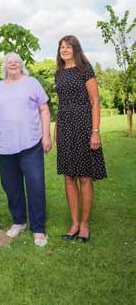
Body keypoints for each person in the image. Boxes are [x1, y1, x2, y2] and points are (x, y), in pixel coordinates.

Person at [0, 52, 51, 247]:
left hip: (31, 142)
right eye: (9, 62)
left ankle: (38, 229)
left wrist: (47, 136)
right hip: (6, 145)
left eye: (16, 61)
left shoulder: (32, 83)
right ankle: (19, 221)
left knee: (35, 185)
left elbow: (44, 109)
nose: (13, 64)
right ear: (5, 67)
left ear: (21, 65)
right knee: (11, 186)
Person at [55, 35, 107, 243]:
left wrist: (95, 130)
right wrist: (56, 130)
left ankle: (84, 224)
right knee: (69, 177)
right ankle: (74, 223)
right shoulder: (58, 73)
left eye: (68, 47)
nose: (64, 50)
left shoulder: (85, 69)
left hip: (84, 126)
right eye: (61, 47)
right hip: (65, 127)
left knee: (85, 176)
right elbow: (61, 104)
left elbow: (95, 101)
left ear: (76, 49)